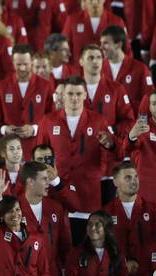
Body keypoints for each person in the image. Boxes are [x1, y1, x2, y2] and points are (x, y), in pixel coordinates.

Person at [37, 75, 118, 245]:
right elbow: (39, 156)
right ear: (63, 95)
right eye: (70, 94)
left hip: (87, 193)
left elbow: (113, 153)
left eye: (79, 94)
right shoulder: (48, 121)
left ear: (85, 95)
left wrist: (109, 145)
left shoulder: (98, 120)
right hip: (56, 193)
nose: (74, 98)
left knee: (86, 248)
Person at [18, 161, 71, 276]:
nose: (48, 182)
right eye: (44, 179)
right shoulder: (14, 207)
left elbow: (65, 247)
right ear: (30, 182)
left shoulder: (55, 207)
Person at [0, 43, 54, 160]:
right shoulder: (1, 87)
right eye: (18, 64)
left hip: (37, 149)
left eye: (26, 64)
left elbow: (52, 117)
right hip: (8, 151)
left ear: (32, 61)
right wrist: (4, 129)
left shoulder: (46, 86)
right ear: (12, 62)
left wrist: (34, 129)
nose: (22, 68)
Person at [100, 25, 154, 116]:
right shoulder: (99, 68)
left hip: (133, 124)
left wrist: (142, 125)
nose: (101, 47)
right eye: (101, 43)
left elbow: (149, 99)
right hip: (107, 126)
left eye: (105, 43)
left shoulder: (140, 68)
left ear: (119, 44)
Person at [62, 0, 127, 63]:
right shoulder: (72, 21)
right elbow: (64, 50)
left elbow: (126, 50)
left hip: (107, 72)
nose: (95, 2)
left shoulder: (117, 21)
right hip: (78, 72)